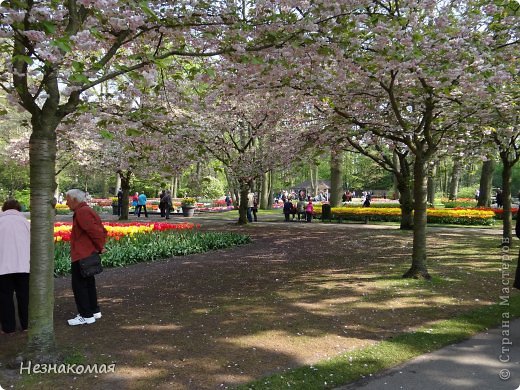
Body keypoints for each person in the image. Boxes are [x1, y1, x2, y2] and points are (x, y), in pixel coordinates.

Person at [65, 189, 107, 326]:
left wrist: (100, 246)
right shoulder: (87, 210)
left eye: (68, 200)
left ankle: (86, 315)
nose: (66, 203)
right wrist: (99, 246)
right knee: (88, 283)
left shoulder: (82, 212)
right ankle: (94, 311)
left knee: (79, 286)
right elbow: (100, 229)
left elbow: (95, 231)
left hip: (82, 254)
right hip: (87, 252)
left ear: (75, 200)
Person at [0, 199, 30, 334]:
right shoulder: (25, 222)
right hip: (24, 265)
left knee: (5, 296)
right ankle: (26, 325)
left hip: (3, 265)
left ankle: (8, 327)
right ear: (19, 209)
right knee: (24, 295)